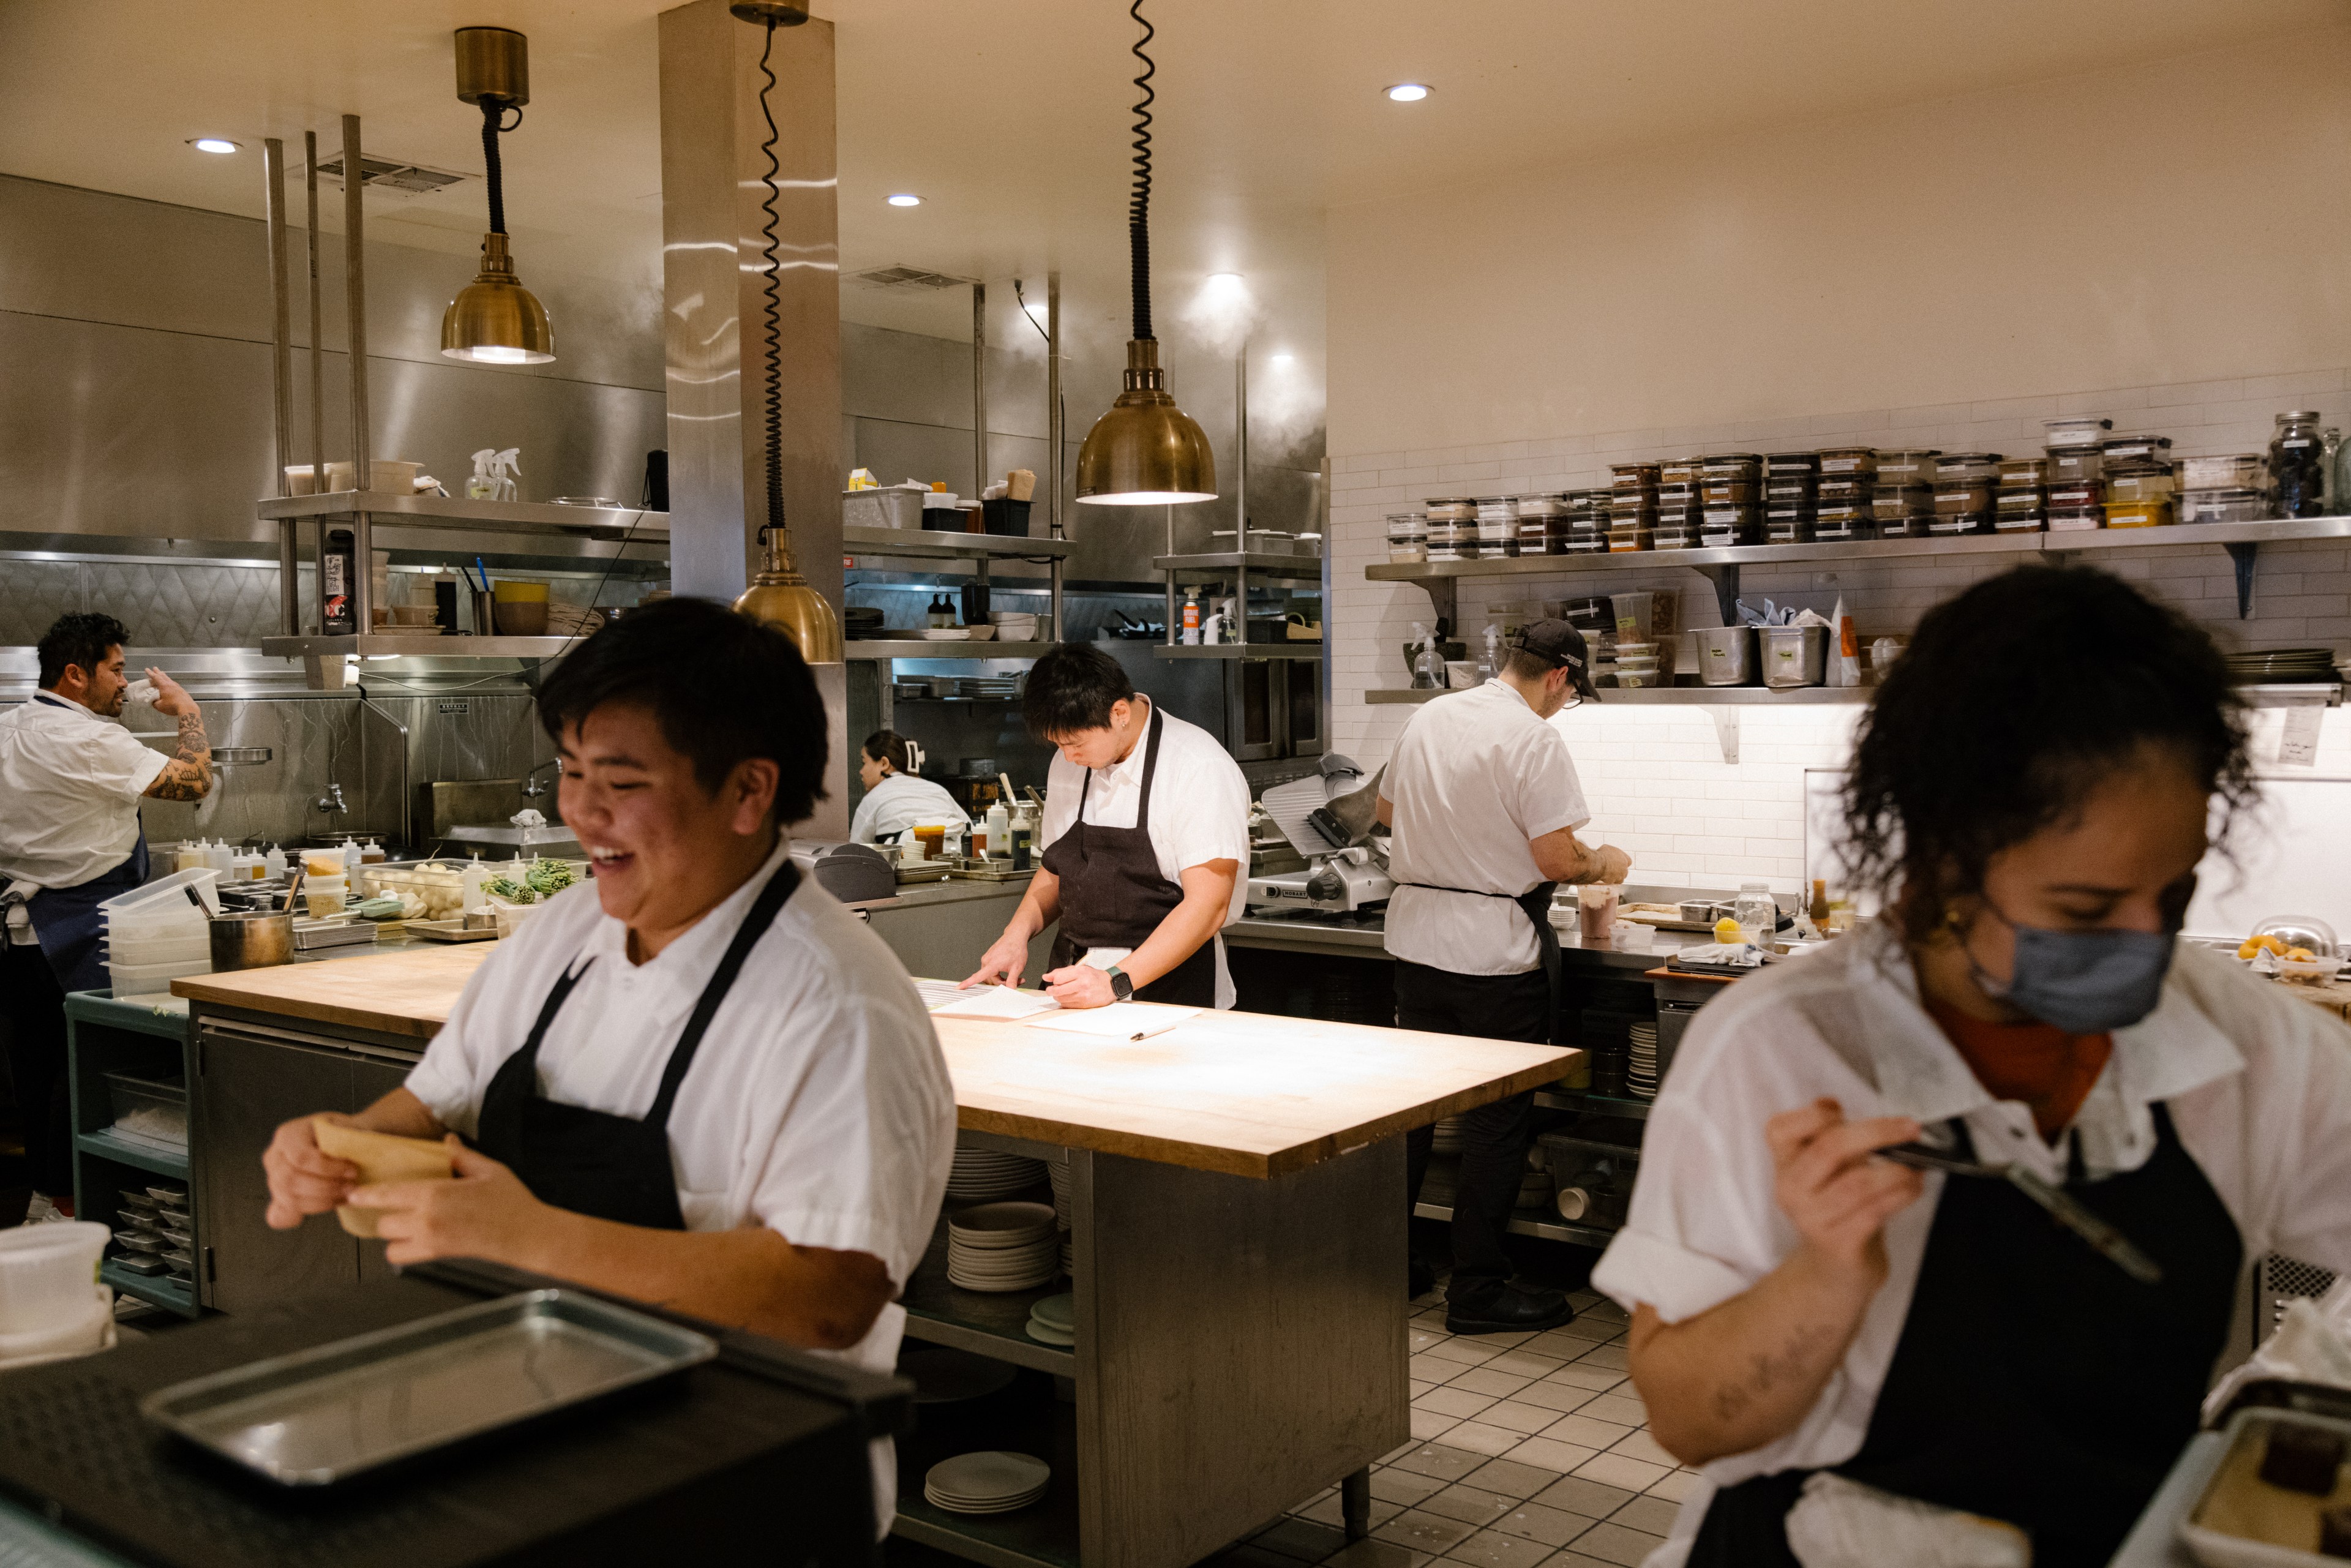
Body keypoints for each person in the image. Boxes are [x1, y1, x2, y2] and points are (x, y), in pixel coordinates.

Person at [1597, 567, 2351, 1568]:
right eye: (2087, 911)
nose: (2147, 948)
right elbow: (1690, 1421)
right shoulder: (1779, 1050)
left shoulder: (2249, 1046)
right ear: (1943, 866)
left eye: (2170, 899)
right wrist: (1826, 1273)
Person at [256, 598, 955, 1535]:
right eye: (572, 771)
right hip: (541, 1448)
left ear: (750, 792)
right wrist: (340, 1144)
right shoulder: (567, 931)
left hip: (743, 1495)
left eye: (620, 780)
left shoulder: (838, 1004)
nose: (578, 810)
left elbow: (832, 1295)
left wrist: (530, 1239)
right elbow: (431, 1101)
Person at [1377, 619, 1632, 1332]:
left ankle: (1389, 1267)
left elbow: (1385, 812)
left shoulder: (1433, 714)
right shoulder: (1533, 737)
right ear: (1559, 675)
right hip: (1493, 953)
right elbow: (1554, 860)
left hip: (1417, 945)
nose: (1564, 706)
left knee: (1414, 1116)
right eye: (1572, 693)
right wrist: (1602, 861)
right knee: (1496, 1123)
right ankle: (1480, 1289)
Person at [0, 613, 213, 1221]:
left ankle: (47, 1204)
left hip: (20, 934)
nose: (125, 682)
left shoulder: (9, 726)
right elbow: (194, 780)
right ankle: (81, 1218)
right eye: (116, 670)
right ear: (75, 674)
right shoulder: (91, 739)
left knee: (39, 1078)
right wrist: (188, 712)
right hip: (81, 931)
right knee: (91, 1076)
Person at [964, 642, 1249, 1009]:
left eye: (1076, 744)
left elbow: (1208, 907)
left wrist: (1114, 982)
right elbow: (1057, 869)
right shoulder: (1070, 761)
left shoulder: (1198, 767)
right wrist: (1015, 936)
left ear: (1119, 713)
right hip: (1075, 979)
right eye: (1059, 745)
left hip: (1172, 988)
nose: (1068, 757)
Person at [849, 730, 969, 844]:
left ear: (884, 763)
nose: (861, 771)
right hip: (957, 857)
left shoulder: (872, 799)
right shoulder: (938, 790)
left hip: (904, 861)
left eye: (864, 763)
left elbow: (856, 853)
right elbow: (971, 829)